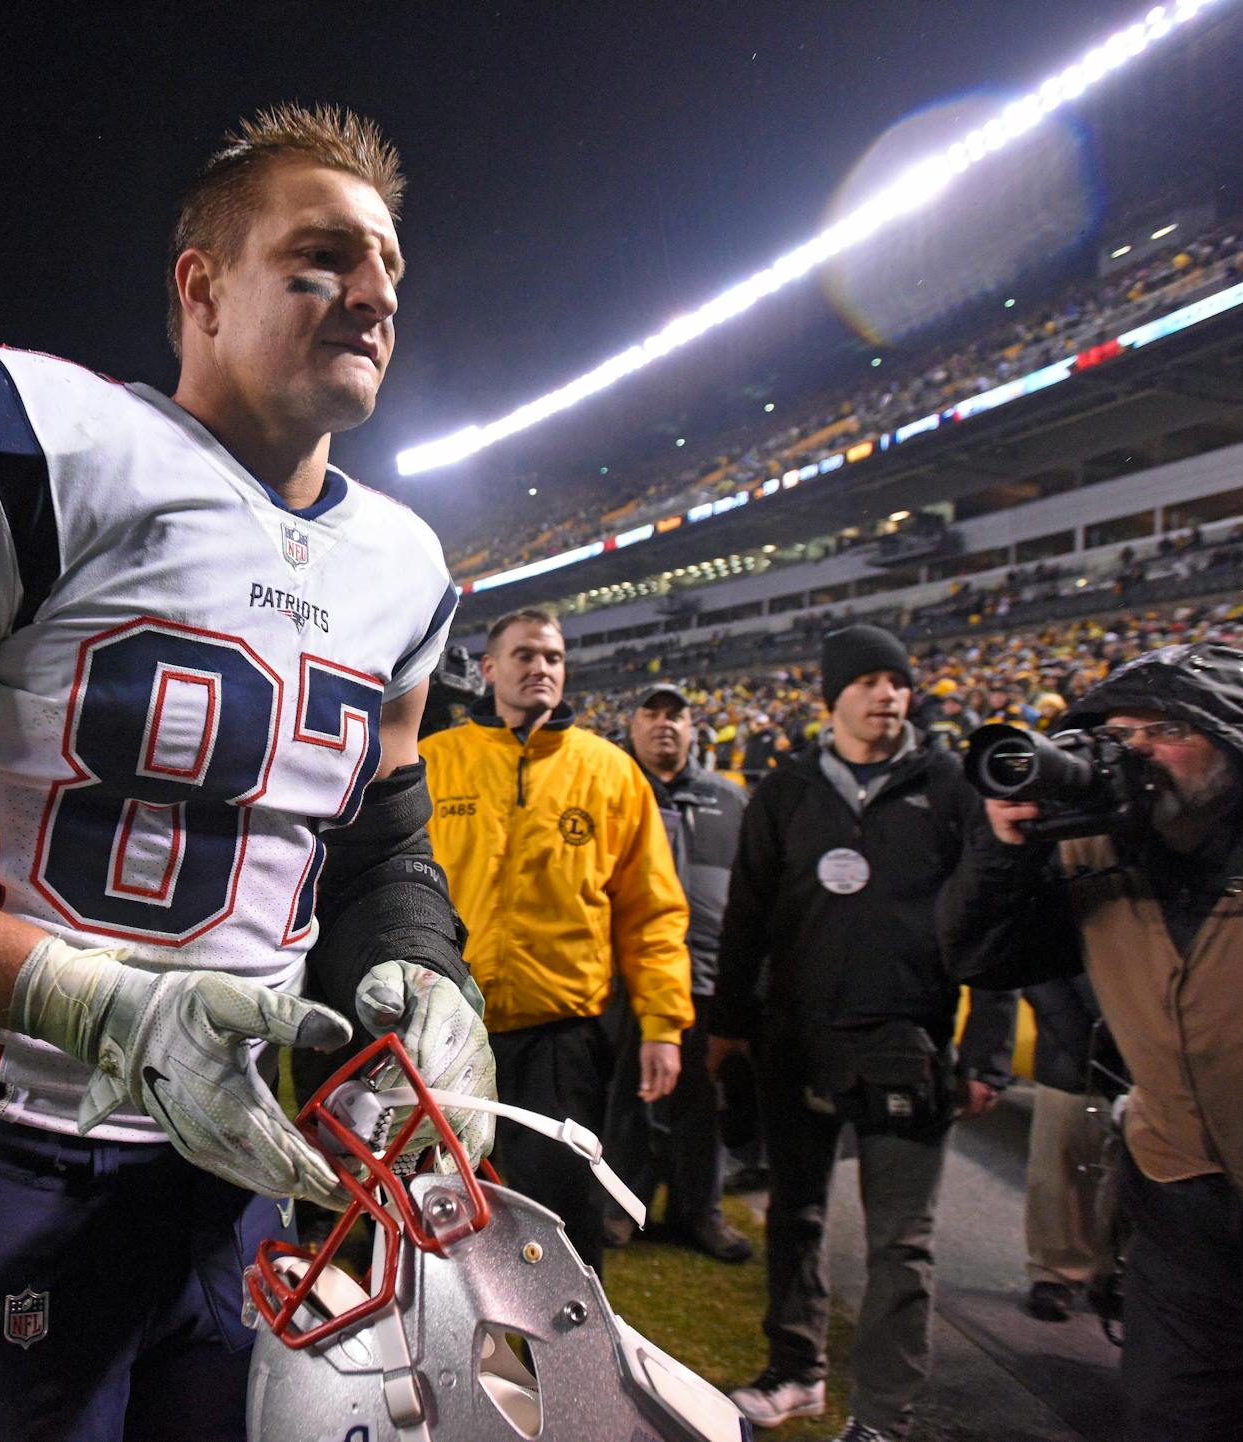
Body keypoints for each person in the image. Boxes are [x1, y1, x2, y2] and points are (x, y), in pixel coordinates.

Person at [0, 105, 485, 1442]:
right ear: (201, 284)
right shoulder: (43, 451)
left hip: (248, 1161)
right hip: (19, 1138)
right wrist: (104, 1006)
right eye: (323, 257)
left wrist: (423, 975)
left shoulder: (407, 568)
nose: (372, 296)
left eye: (390, 273)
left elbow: (375, 846)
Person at [940, 642, 1243, 1439]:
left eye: (1163, 729)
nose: (1134, 753)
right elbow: (985, 954)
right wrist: (1003, 850)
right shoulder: (1093, 848)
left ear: (1241, 740)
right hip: (1188, 1233)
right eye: (1117, 734)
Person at [711, 624, 1016, 1442]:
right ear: (833, 695)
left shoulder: (949, 785)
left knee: (901, 1246)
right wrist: (728, 1026)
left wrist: (986, 1048)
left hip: (908, 1045)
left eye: (898, 681)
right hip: (795, 1039)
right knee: (794, 1217)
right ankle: (796, 1371)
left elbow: (992, 917)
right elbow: (748, 915)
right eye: (870, 681)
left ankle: (882, 1417)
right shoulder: (786, 788)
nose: (888, 694)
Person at [420, 608, 693, 1274]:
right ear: (489, 669)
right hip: (445, 1028)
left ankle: (569, 1368)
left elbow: (651, 910)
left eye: (553, 657)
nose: (541, 668)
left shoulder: (610, 772)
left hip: (560, 1037)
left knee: (562, 1224)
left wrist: (662, 1022)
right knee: (437, 1215)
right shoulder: (434, 761)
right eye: (525, 655)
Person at [600, 680, 753, 1263]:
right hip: (625, 974)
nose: (665, 724)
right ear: (633, 726)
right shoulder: (609, 784)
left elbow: (751, 885)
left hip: (707, 973)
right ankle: (618, 1207)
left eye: (677, 716)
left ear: (694, 729)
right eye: (652, 713)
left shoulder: (730, 798)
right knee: (625, 1098)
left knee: (701, 1102)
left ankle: (701, 1213)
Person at [1017, 973, 1125, 1323]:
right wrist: (1085, 1037)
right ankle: (1057, 1273)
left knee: (1130, 1174)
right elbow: (1041, 978)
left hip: (1139, 1055)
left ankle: (1115, 1270)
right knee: (1058, 1166)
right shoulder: (1069, 917)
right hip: (1071, 1052)